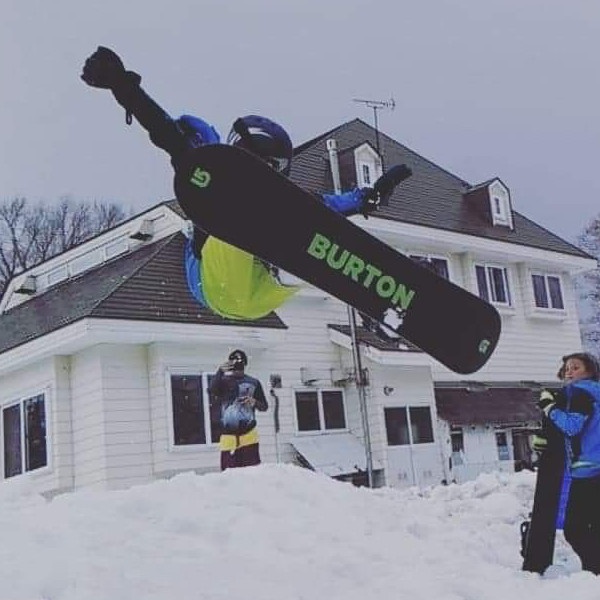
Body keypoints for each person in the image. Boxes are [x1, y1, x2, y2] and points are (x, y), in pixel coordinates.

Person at [80, 46, 394, 323]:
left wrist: (366, 197)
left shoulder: (281, 202)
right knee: (249, 213)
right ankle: (292, 262)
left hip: (260, 294)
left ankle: (302, 267)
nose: (263, 176)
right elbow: (162, 129)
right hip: (213, 281)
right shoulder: (205, 166)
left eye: (270, 170)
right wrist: (122, 86)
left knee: (296, 211)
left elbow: (329, 205)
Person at [536, 352, 600, 574]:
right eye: (566, 369)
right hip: (594, 467)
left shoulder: (581, 393)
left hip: (588, 470)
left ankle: (594, 573)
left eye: (575, 367)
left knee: (575, 530)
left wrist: (549, 407)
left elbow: (572, 426)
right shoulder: (595, 393)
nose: (568, 372)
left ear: (590, 371)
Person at [209, 349, 267, 470]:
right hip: (228, 434)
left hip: (249, 433)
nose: (237, 367)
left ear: (245, 364)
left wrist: (254, 402)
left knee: (252, 471)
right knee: (229, 473)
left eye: (240, 364)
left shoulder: (254, 382)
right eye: (234, 363)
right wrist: (220, 372)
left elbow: (264, 406)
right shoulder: (223, 382)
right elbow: (211, 390)